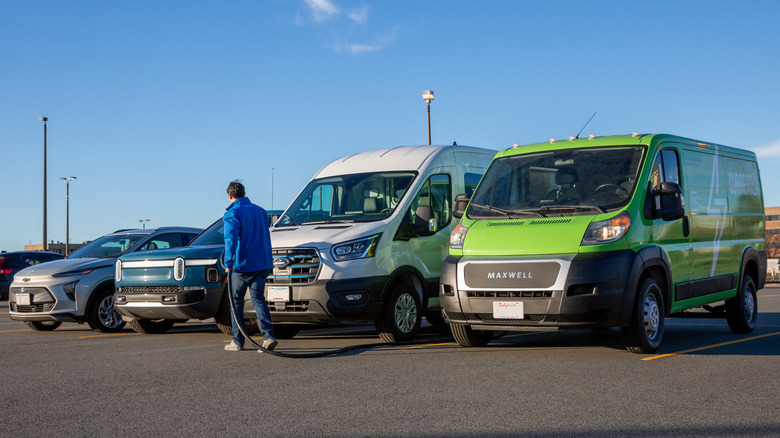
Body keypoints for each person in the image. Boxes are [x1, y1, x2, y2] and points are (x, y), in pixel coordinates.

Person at [222, 181, 277, 352]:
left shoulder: (232, 213)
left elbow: (231, 239)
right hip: (262, 263)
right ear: (244, 194)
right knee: (258, 300)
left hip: (243, 266)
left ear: (230, 196)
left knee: (236, 301)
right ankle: (268, 337)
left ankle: (237, 341)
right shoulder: (260, 212)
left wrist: (228, 262)